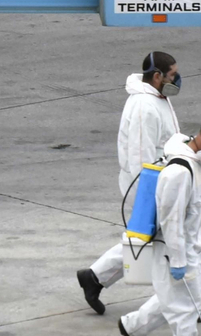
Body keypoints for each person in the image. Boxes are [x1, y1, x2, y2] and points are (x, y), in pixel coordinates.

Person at [118, 116, 201, 336]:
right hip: (174, 249)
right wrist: (178, 260)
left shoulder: (199, 164)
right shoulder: (178, 172)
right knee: (185, 307)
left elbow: (200, 203)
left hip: (190, 245)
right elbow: (171, 220)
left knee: (174, 299)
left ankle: (132, 328)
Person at [76, 51, 181, 315]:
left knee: (149, 239)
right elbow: (141, 154)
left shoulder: (157, 98)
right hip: (150, 183)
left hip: (160, 180)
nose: (176, 80)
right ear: (157, 76)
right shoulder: (145, 106)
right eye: (172, 75)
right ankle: (176, 303)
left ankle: (95, 277)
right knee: (161, 241)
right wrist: (151, 192)